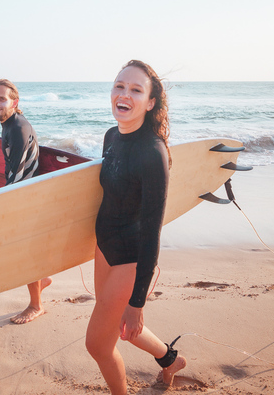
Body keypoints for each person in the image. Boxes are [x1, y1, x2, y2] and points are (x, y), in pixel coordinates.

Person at [85, 60, 186, 394]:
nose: (124, 94)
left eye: (135, 89)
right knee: (118, 329)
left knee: (98, 345)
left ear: (150, 102)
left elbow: (152, 232)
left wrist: (137, 302)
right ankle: (170, 360)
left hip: (131, 258)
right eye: (119, 86)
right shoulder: (111, 136)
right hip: (104, 248)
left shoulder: (152, 152)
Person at [0, 78, 52, 324]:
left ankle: (36, 306)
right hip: (27, 193)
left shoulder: (16, 129)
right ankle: (42, 281)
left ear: (14, 102)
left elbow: (16, 175)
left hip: (26, 198)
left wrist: (3, 207)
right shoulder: (10, 123)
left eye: (1, 99)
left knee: (26, 255)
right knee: (29, 251)